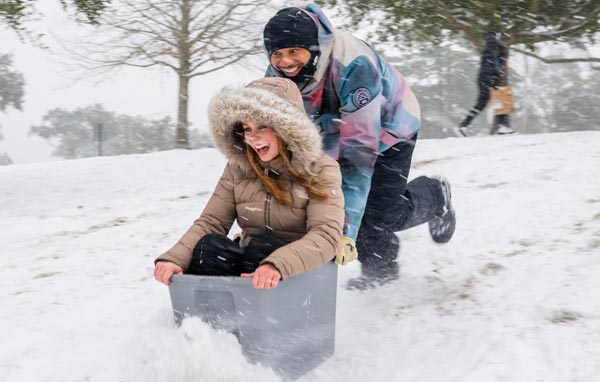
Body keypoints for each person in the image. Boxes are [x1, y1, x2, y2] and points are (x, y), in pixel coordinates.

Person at [263, 4, 456, 289]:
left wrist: (347, 233)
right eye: (277, 54)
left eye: (294, 51)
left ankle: (428, 203)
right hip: (330, 129)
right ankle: (379, 267)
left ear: (314, 47)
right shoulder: (276, 77)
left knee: (378, 212)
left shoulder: (354, 64)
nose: (285, 61)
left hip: (390, 127)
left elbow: (357, 156)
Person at [154, 77, 345, 289]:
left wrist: (277, 264)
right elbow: (212, 222)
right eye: (246, 129)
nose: (253, 138)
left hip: (297, 269)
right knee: (211, 247)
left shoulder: (320, 169)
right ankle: (211, 316)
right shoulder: (239, 168)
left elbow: (326, 234)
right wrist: (174, 258)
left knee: (264, 247)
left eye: (262, 126)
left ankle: (261, 315)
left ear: (287, 128)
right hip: (251, 269)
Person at [456, 31, 516, 137]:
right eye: (498, 37)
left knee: (481, 103)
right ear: (494, 38)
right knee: (504, 96)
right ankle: (502, 126)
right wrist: (493, 80)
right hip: (488, 78)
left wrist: (502, 53)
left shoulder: (492, 49)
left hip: (484, 79)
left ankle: (464, 125)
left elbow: (497, 63)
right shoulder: (491, 47)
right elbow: (489, 66)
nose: (499, 39)